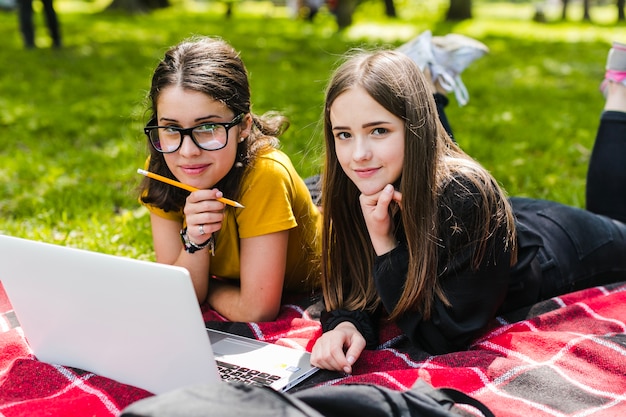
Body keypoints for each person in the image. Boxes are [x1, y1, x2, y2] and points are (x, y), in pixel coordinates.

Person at [310, 38, 626, 374]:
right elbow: (350, 287)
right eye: (343, 134)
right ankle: (428, 81)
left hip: (559, 246)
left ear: (414, 128)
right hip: (482, 225)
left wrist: (385, 245)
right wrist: (345, 324)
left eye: (378, 130)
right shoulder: (349, 182)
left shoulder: (466, 196)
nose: (358, 154)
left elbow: (443, 337)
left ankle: (619, 90)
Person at [138, 36, 322, 322]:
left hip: (327, 270)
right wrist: (195, 239)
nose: (187, 152)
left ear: (244, 126)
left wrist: (208, 287)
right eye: (171, 129)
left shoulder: (265, 175)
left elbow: (256, 310)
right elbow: (176, 292)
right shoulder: (162, 167)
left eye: (208, 127)